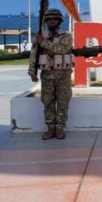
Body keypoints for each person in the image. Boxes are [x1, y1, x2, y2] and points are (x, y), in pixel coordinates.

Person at [28, 8, 74, 140]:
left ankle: (60, 128)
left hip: (63, 76)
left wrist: (43, 42)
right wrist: (32, 71)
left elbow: (63, 49)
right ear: (46, 21)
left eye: (55, 19)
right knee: (47, 102)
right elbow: (34, 55)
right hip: (47, 76)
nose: (52, 21)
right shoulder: (41, 36)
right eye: (49, 19)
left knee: (63, 102)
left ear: (59, 21)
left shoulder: (66, 36)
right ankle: (50, 128)